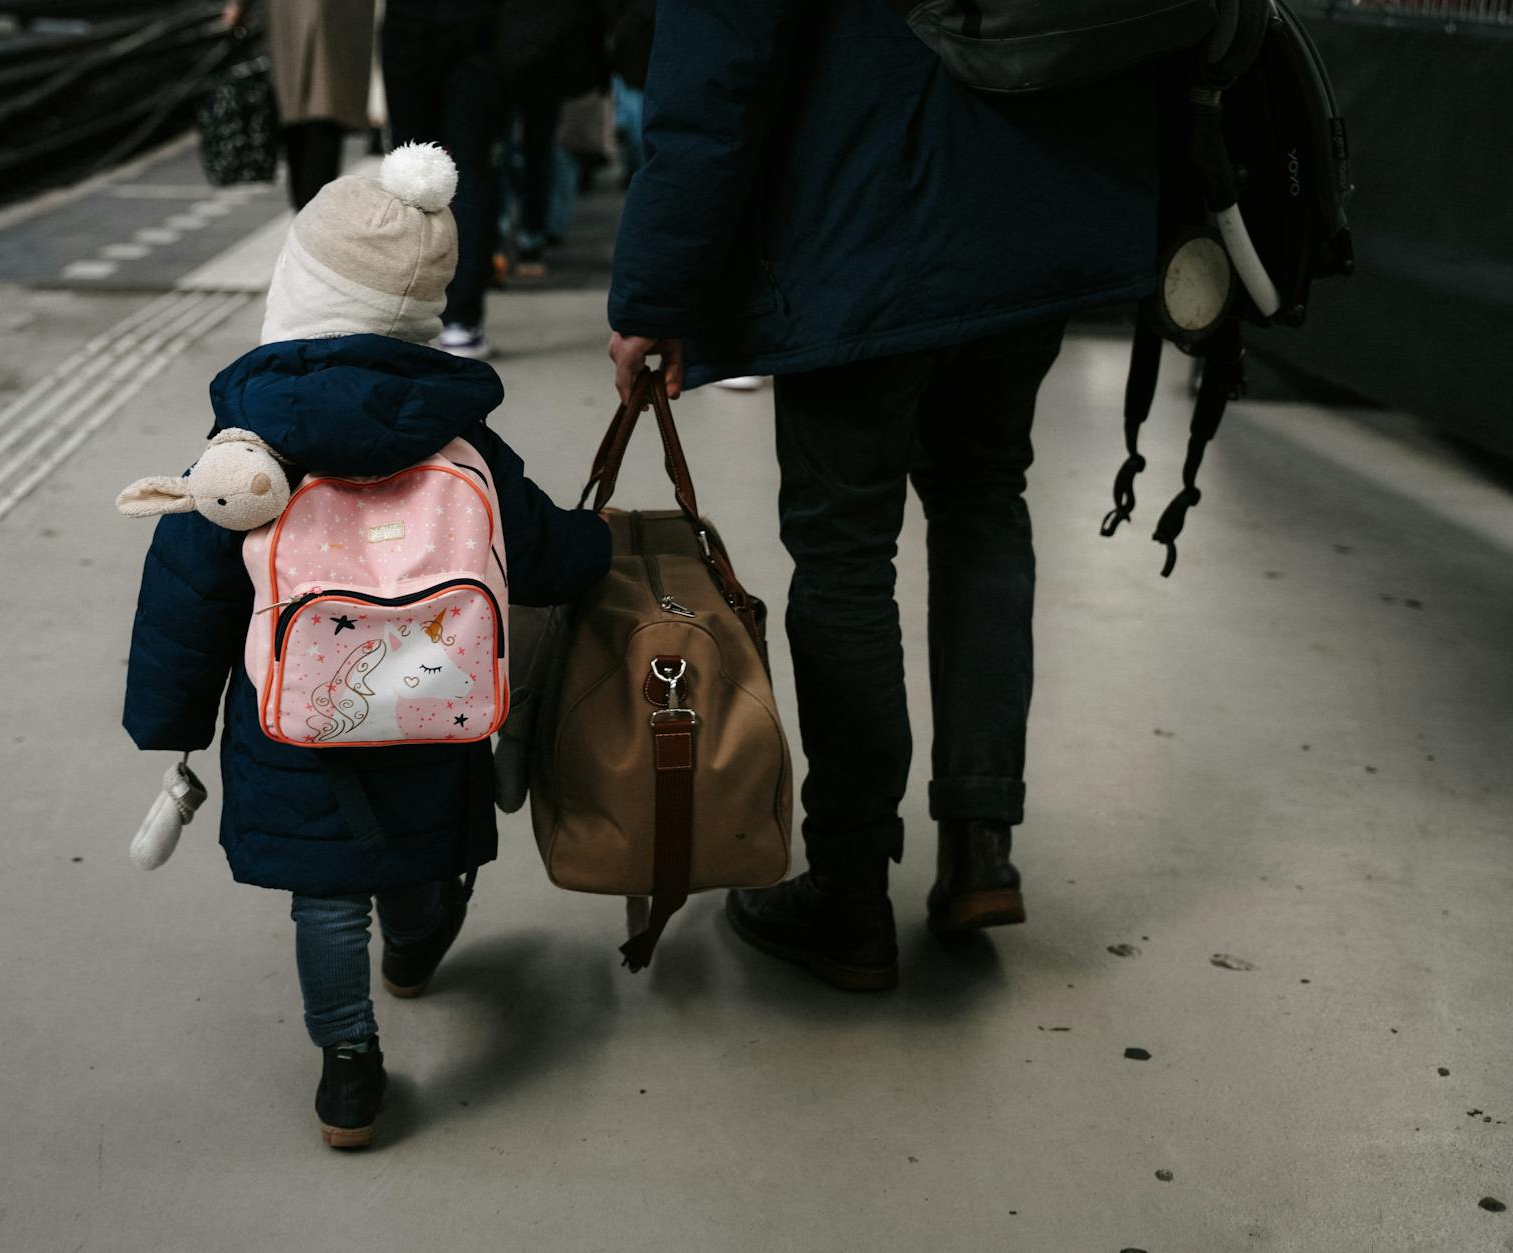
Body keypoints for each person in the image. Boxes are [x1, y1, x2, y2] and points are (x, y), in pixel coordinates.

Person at [607, 1, 1160, 991]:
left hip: (861, 208)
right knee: (983, 495)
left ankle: (849, 885)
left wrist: (654, 288)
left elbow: (714, 68)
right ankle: (978, 845)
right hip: (1033, 192)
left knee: (843, 549)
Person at [122, 145, 611, 1146]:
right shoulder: (463, 442)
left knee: (326, 899)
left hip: (295, 723)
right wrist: (603, 543)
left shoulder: (241, 454)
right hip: (436, 710)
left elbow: (187, 590)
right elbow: (545, 552)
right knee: (423, 858)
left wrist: (165, 721)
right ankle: (421, 938)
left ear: (294, 291)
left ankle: (348, 1068)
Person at [379, 0, 504, 359]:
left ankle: (403, 312)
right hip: (476, 26)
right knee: (471, 171)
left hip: (408, 24)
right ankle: (461, 321)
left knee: (408, 166)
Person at [244, 0, 374, 210]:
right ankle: (311, 215)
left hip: (304, 18)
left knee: (307, 112)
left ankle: (307, 215)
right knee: (322, 109)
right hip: (332, 18)